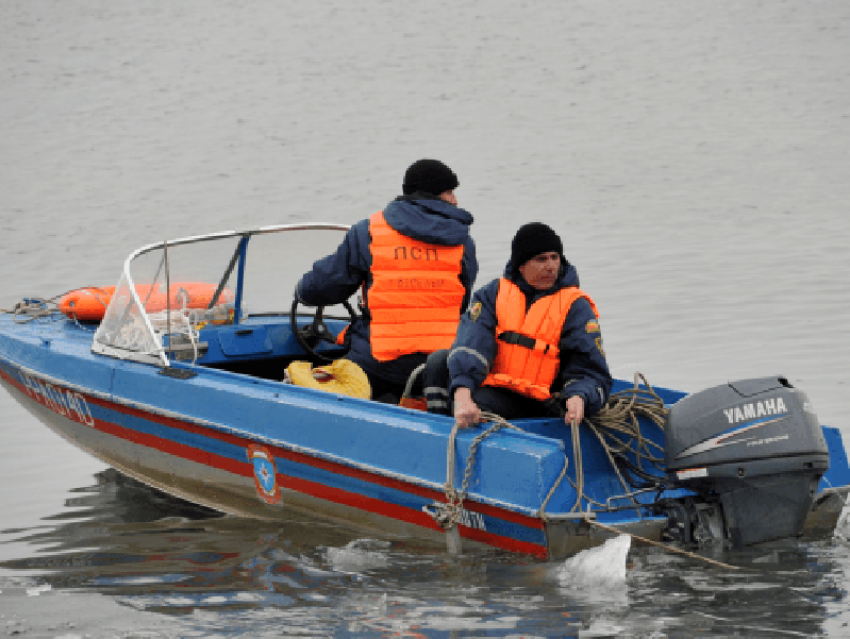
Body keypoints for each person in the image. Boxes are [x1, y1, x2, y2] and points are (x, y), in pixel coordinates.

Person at [295, 159, 478, 403]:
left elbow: (325, 286)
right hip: (438, 365)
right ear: (429, 194)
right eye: (449, 192)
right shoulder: (462, 242)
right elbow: (462, 300)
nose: (455, 200)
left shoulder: (369, 231)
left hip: (377, 364)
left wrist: (302, 292)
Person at [423, 222, 611, 427]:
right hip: (498, 384)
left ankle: (464, 429)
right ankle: (443, 430)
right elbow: (473, 342)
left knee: (481, 402)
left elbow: (590, 369)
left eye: (554, 258)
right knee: (437, 363)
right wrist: (462, 394)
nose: (550, 266)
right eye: (541, 259)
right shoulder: (492, 294)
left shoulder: (575, 306)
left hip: (543, 401)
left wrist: (579, 396)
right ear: (521, 265)